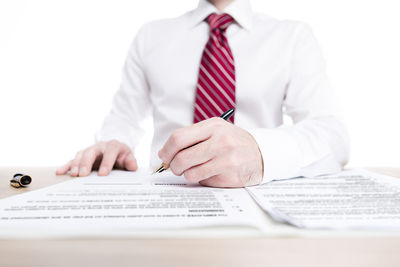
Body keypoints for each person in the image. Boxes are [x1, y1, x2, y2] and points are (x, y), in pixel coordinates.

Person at [56, 0, 349, 188]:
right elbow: (124, 117)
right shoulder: (151, 35)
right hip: (165, 194)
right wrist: (113, 142)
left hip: (258, 193)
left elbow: (332, 136)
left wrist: (260, 153)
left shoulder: (292, 36)